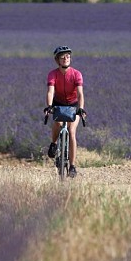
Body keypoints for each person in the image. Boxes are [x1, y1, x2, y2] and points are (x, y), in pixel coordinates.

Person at [44, 46, 86, 178]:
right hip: (58, 103)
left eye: (67, 56)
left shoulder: (76, 74)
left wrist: (81, 107)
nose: (65, 58)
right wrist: (49, 106)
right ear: (57, 60)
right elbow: (50, 91)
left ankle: (72, 166)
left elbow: (80, 93)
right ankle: (54, 143)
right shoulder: (53, 74)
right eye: (62, 57)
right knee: (57, 123)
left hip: (73, 105)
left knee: (72, 132)